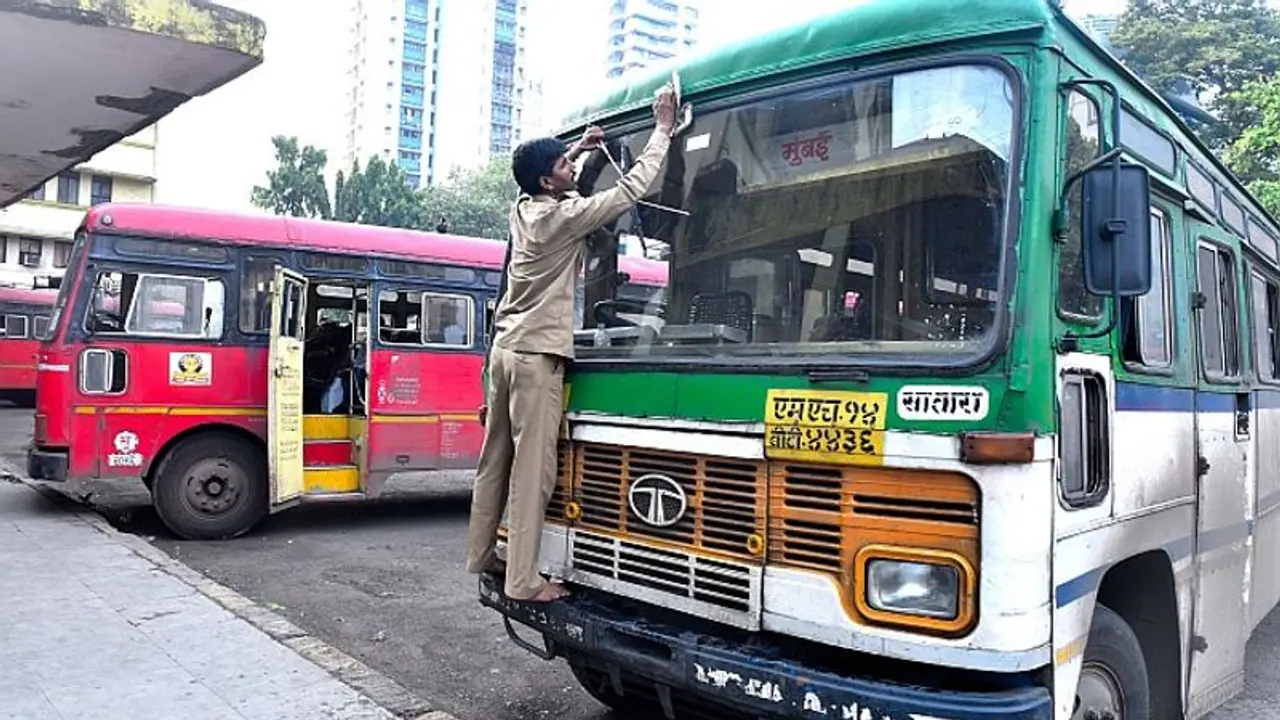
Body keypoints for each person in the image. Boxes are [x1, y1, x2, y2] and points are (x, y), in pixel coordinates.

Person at [466, 84, 678, 603]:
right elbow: (630, 189)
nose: (571, 168)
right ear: (548, 181)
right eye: (564, 165)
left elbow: (558, 182)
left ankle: (482, 555)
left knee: (494, 461)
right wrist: (663, 129)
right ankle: (523, 580)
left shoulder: (524, 208)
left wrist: (580, 148)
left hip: (504, 351)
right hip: (537, 358)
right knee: (532, 472)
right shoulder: (564, 218)